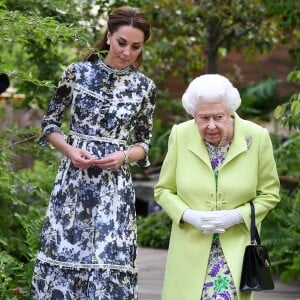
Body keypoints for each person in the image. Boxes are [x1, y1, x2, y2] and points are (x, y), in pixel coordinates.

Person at [31, 6, 156, 299]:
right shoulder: (77, 73)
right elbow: (50, 124)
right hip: (74, 181)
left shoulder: (145, 88)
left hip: (114, 188)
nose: (127, 52)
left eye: (136, 47)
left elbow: (143, 144)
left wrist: (124, 156)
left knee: (109, 260)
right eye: (122, 42)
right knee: (67, 253)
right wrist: (70, 151)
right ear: (109, 35)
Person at [154, 74, 280, 300]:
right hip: (190, 248)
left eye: (219, 117)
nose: (211, 125)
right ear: (194, 115)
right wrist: (188, 215)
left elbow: (269, 194)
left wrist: (235, 216)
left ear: (230, 113)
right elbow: (163, 190)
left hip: (235, 249)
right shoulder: (180, 135)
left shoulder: (257, 137)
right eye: (203, 118)